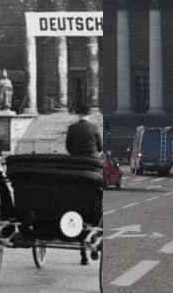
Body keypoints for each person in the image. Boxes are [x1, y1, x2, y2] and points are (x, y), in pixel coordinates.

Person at [65, 104, 102, 265]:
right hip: (92, 169)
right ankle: (95, 236)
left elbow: (68, 148)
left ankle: (82, 253)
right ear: (89, 114)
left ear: (78, 114)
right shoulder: (94, 128)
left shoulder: (72, 128)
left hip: (74, 169)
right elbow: (100, 148)